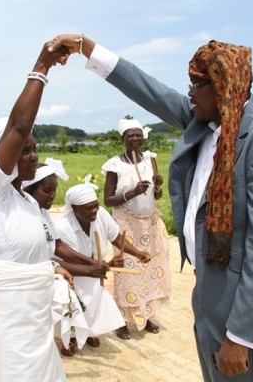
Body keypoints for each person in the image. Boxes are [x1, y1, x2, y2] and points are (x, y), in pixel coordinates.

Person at [48, 34, 253, 381]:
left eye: (196, 85)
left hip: (237, 307)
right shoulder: (206, 120)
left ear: (222, 86)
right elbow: (151, 91)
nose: (188, 94)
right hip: (208, 292)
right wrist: (86, 47)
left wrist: (241, 336)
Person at [0, 41, 72, 381]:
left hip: (36, 316)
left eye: (34, 149)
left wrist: (52, 271)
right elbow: (17, 126)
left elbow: (38, 253)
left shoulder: (27, 202)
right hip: (7, 319)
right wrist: (42, 65)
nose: (33, 157)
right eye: (23, 150)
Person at [22, 161, 116, 357]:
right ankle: (66, 339)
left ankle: (82, 332)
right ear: (29, 189)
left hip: (47, 268)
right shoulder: (23, 215)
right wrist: (89, 268)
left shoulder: (43, 212)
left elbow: (56, 245)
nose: (52, 195)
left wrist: (92, 264)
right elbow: (42, 254)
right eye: (47, 190)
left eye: (54, 190)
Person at [55, 181, 149, 354]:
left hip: (94, 272)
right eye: (88, 208)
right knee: (73, 305)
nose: (94, 211)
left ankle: (89, 332)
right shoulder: (62, 226)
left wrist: (137, 253)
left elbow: (117, 238)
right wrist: (107, 265)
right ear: (74, 208)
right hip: (72, 272)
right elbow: (71, 260)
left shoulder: (101, 215)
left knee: (93, 305)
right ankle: (70, 338)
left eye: (96, 206)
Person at [101, 118, 171, 340]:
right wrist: (132, 192)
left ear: (143, 138)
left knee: (149, 270)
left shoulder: (150, 160)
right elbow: (108, 200)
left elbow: (157, 196)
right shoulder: (115, 165)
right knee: (126, 272)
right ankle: (121, 321)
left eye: (138, 135)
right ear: (122, 139)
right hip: (126, 224)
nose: (134, 139)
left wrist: (157, 186)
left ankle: (145, 315)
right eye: (130, 135)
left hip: (148, 224)